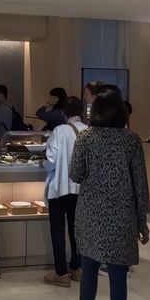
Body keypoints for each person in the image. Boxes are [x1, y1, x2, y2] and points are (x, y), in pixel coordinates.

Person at [64, 91, 150, 300]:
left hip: (90, 212)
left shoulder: (86, 138)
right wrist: (143, 221)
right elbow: (140, 184)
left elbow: (75, 174)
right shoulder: (132, 140)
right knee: (118, 275)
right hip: (123, 215)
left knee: (89, 268)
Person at [43, 95, 89, 286]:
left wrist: (43, 164)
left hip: (60, 187)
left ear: (63, 113)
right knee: (77, 230)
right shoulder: (89, 131)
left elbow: (52, 161)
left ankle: (61, 273)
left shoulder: (60, 130)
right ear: (81, 112)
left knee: (58, 230)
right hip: (81, 190)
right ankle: (76, 270)